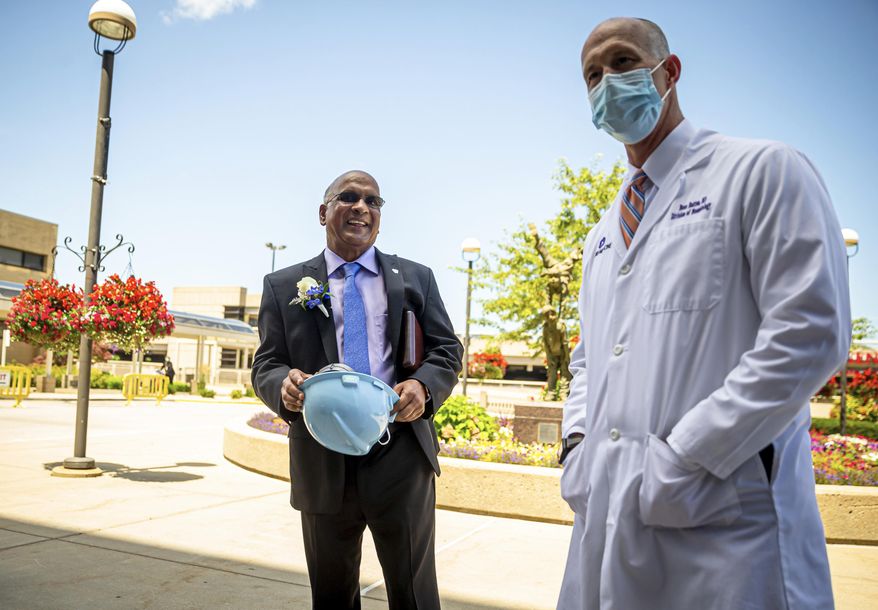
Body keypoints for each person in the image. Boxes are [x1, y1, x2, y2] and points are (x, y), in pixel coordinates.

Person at [557, 17, 850, 610]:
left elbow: (809, 334)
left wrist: (686, 455)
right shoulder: (601, 238)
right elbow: (590, 360)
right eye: (592, 74)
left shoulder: (761, 171)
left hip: (727, 523)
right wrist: (577, 445)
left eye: (622, 61)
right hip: (608, 512)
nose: (607, 81)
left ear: (669, 72)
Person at [251, 170, 463, 610]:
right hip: (321, 455)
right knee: (332, 595)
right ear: (323, 211)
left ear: (380, 217)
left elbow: (446, 350)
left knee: (414, 592)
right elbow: (267, 363)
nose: (362, 207)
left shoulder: (416, 278)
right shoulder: (284, 285)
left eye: (373, 201)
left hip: (400, 450)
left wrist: (423, 386)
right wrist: (281, 387)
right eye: (348, 197)